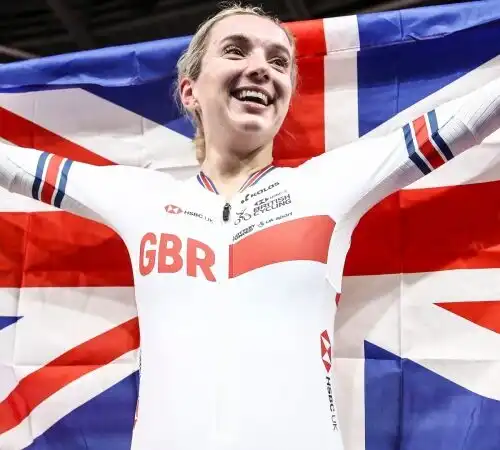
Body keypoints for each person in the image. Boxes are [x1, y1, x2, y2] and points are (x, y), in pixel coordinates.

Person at [0, 3, 499, 450]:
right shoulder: (140, 197)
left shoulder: (330, 184)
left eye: (278, 62)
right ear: (190, 91)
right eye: (236, 51)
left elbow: (467, 119)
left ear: (286, 97)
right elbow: (13, 165)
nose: (261, 67)